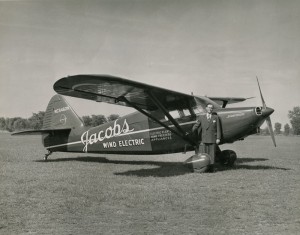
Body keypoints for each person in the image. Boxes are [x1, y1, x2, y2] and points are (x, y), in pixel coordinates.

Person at [192, 103, 221, 172]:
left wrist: (218, 138)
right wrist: (193, 131)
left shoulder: (216, 117)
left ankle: (211, 168)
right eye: (209, 107)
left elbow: (218, 128)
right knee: (204, 154)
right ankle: (204, 168)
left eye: (211, 108)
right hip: (204, 139)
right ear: (206, 108)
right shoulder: (201, 117)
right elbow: (196, 126)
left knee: (212, 154)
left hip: (212, 139)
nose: (210, 109)